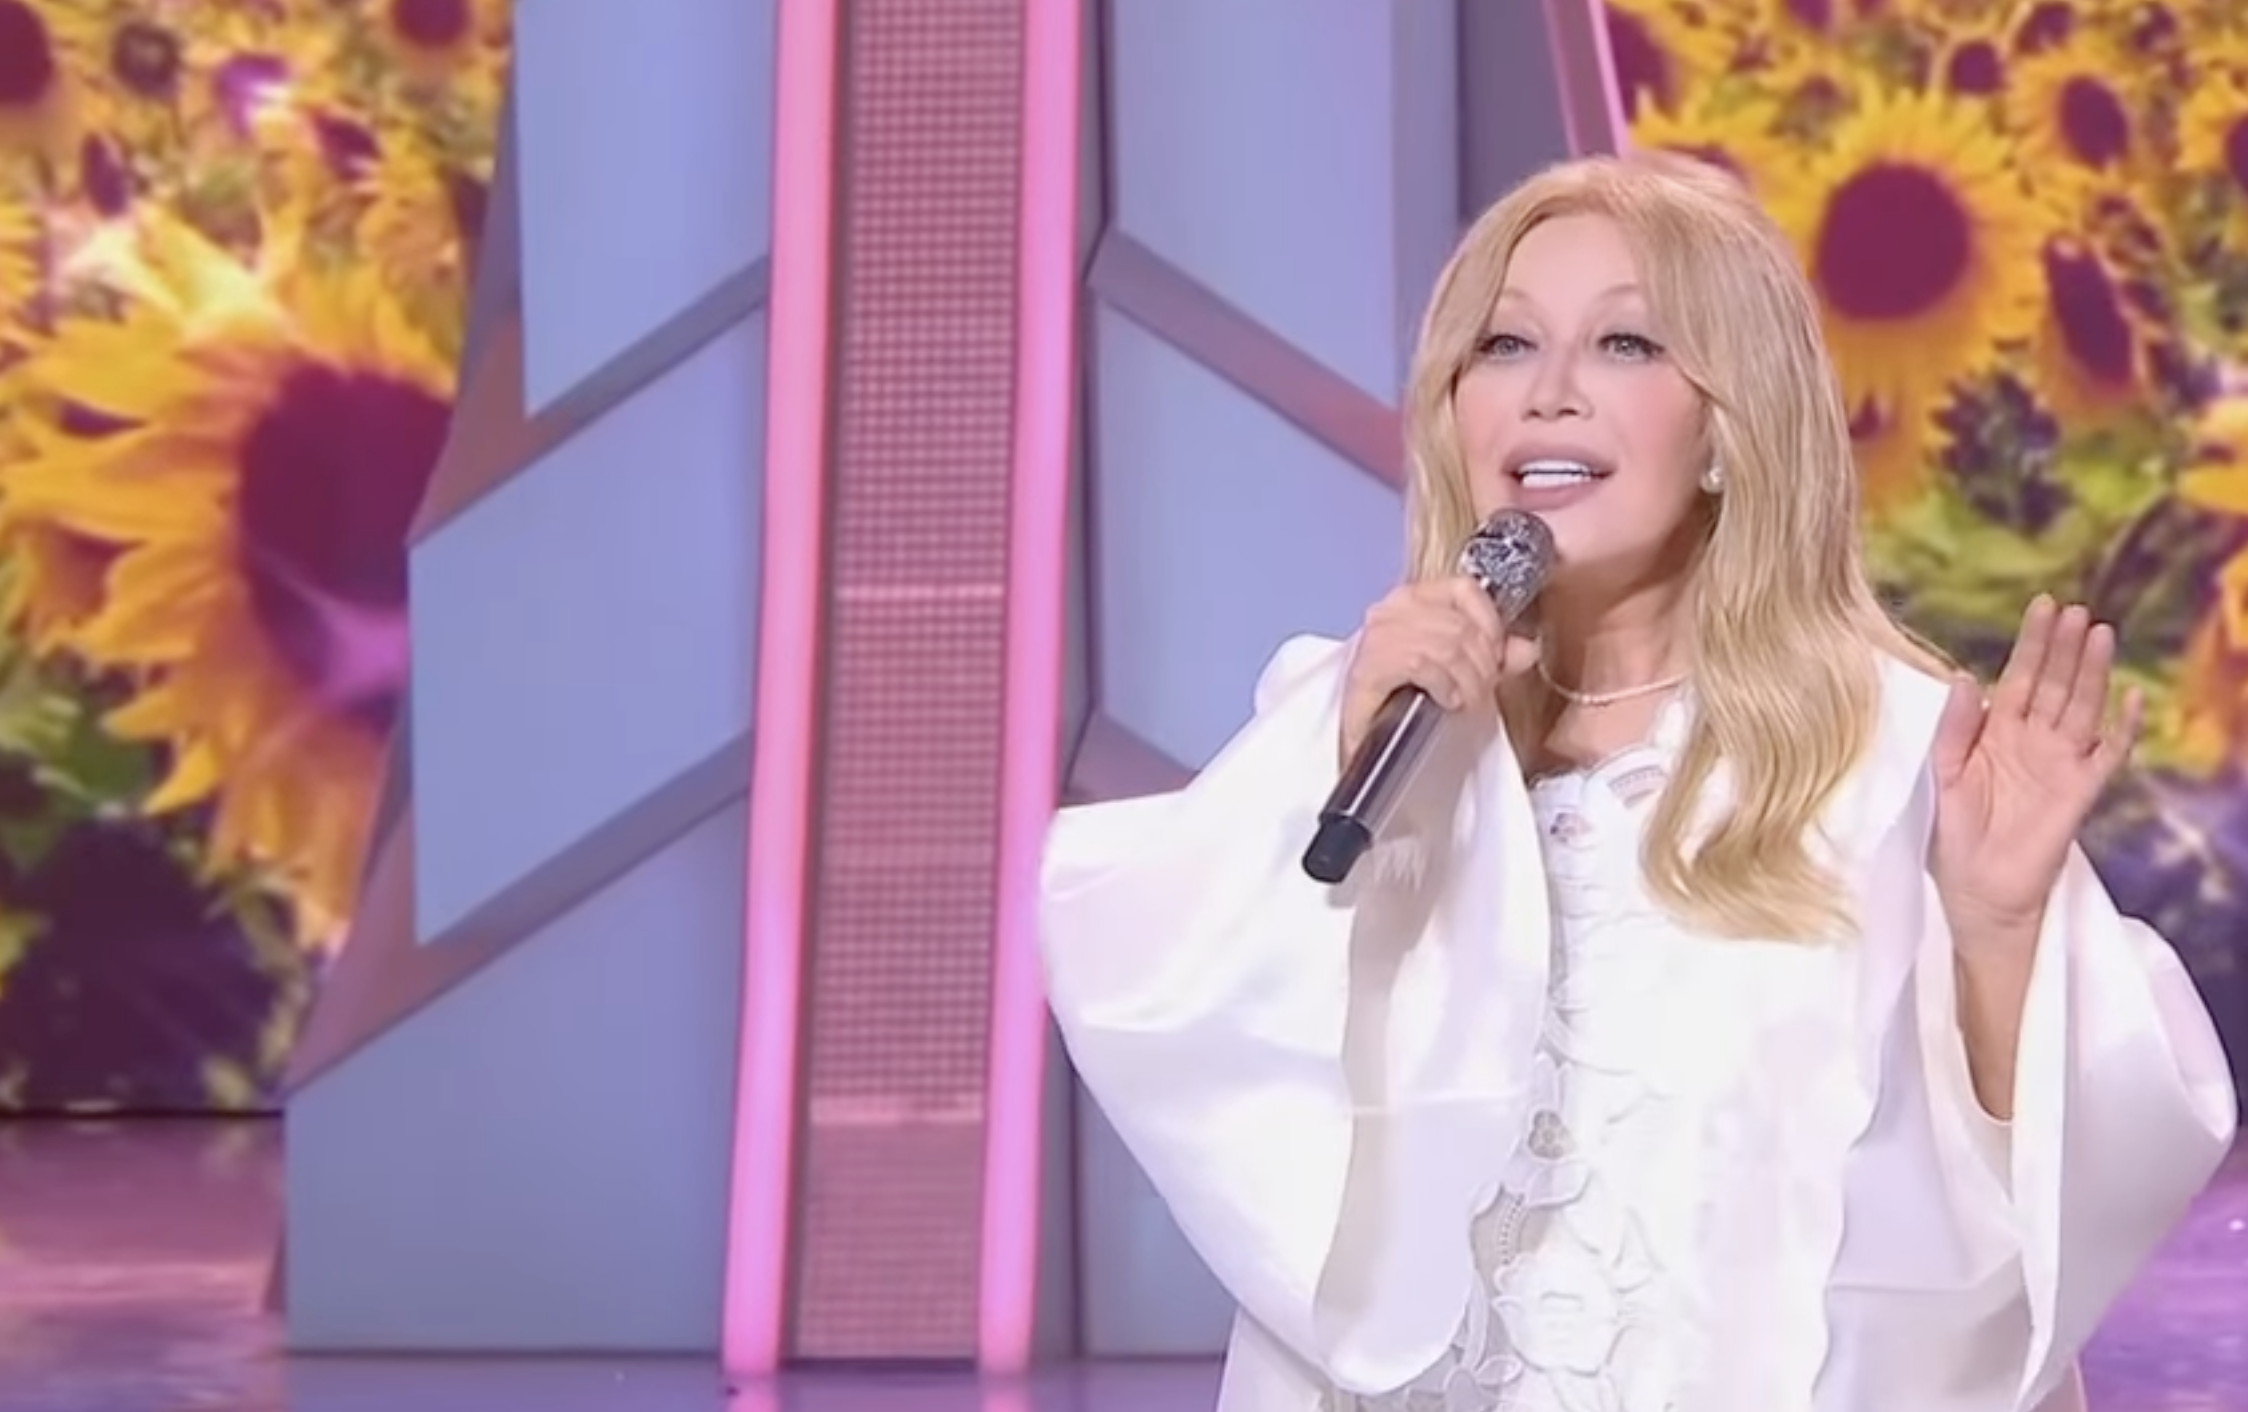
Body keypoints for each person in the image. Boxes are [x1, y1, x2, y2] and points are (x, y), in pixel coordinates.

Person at [1038, 154, 2237, 1412]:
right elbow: (1180, 1029)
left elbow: (2047, 1203)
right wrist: (1334, 768)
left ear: (1727, 426)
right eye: (1504, 344)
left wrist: (1995, 934)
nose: (1548, 392)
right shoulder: (1369, 724)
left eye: (1623, 343)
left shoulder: (1889, 752)